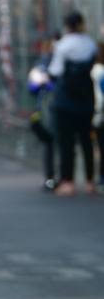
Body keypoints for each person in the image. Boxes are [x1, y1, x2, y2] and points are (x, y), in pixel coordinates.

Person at [48, 10, 102, 196]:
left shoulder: (63, 45)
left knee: (66, 143)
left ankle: (68, 181)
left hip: (65, 99)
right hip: (86, 98)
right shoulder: (90, 44)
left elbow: (55, 71)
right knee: (86, 141)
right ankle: (89, 181)